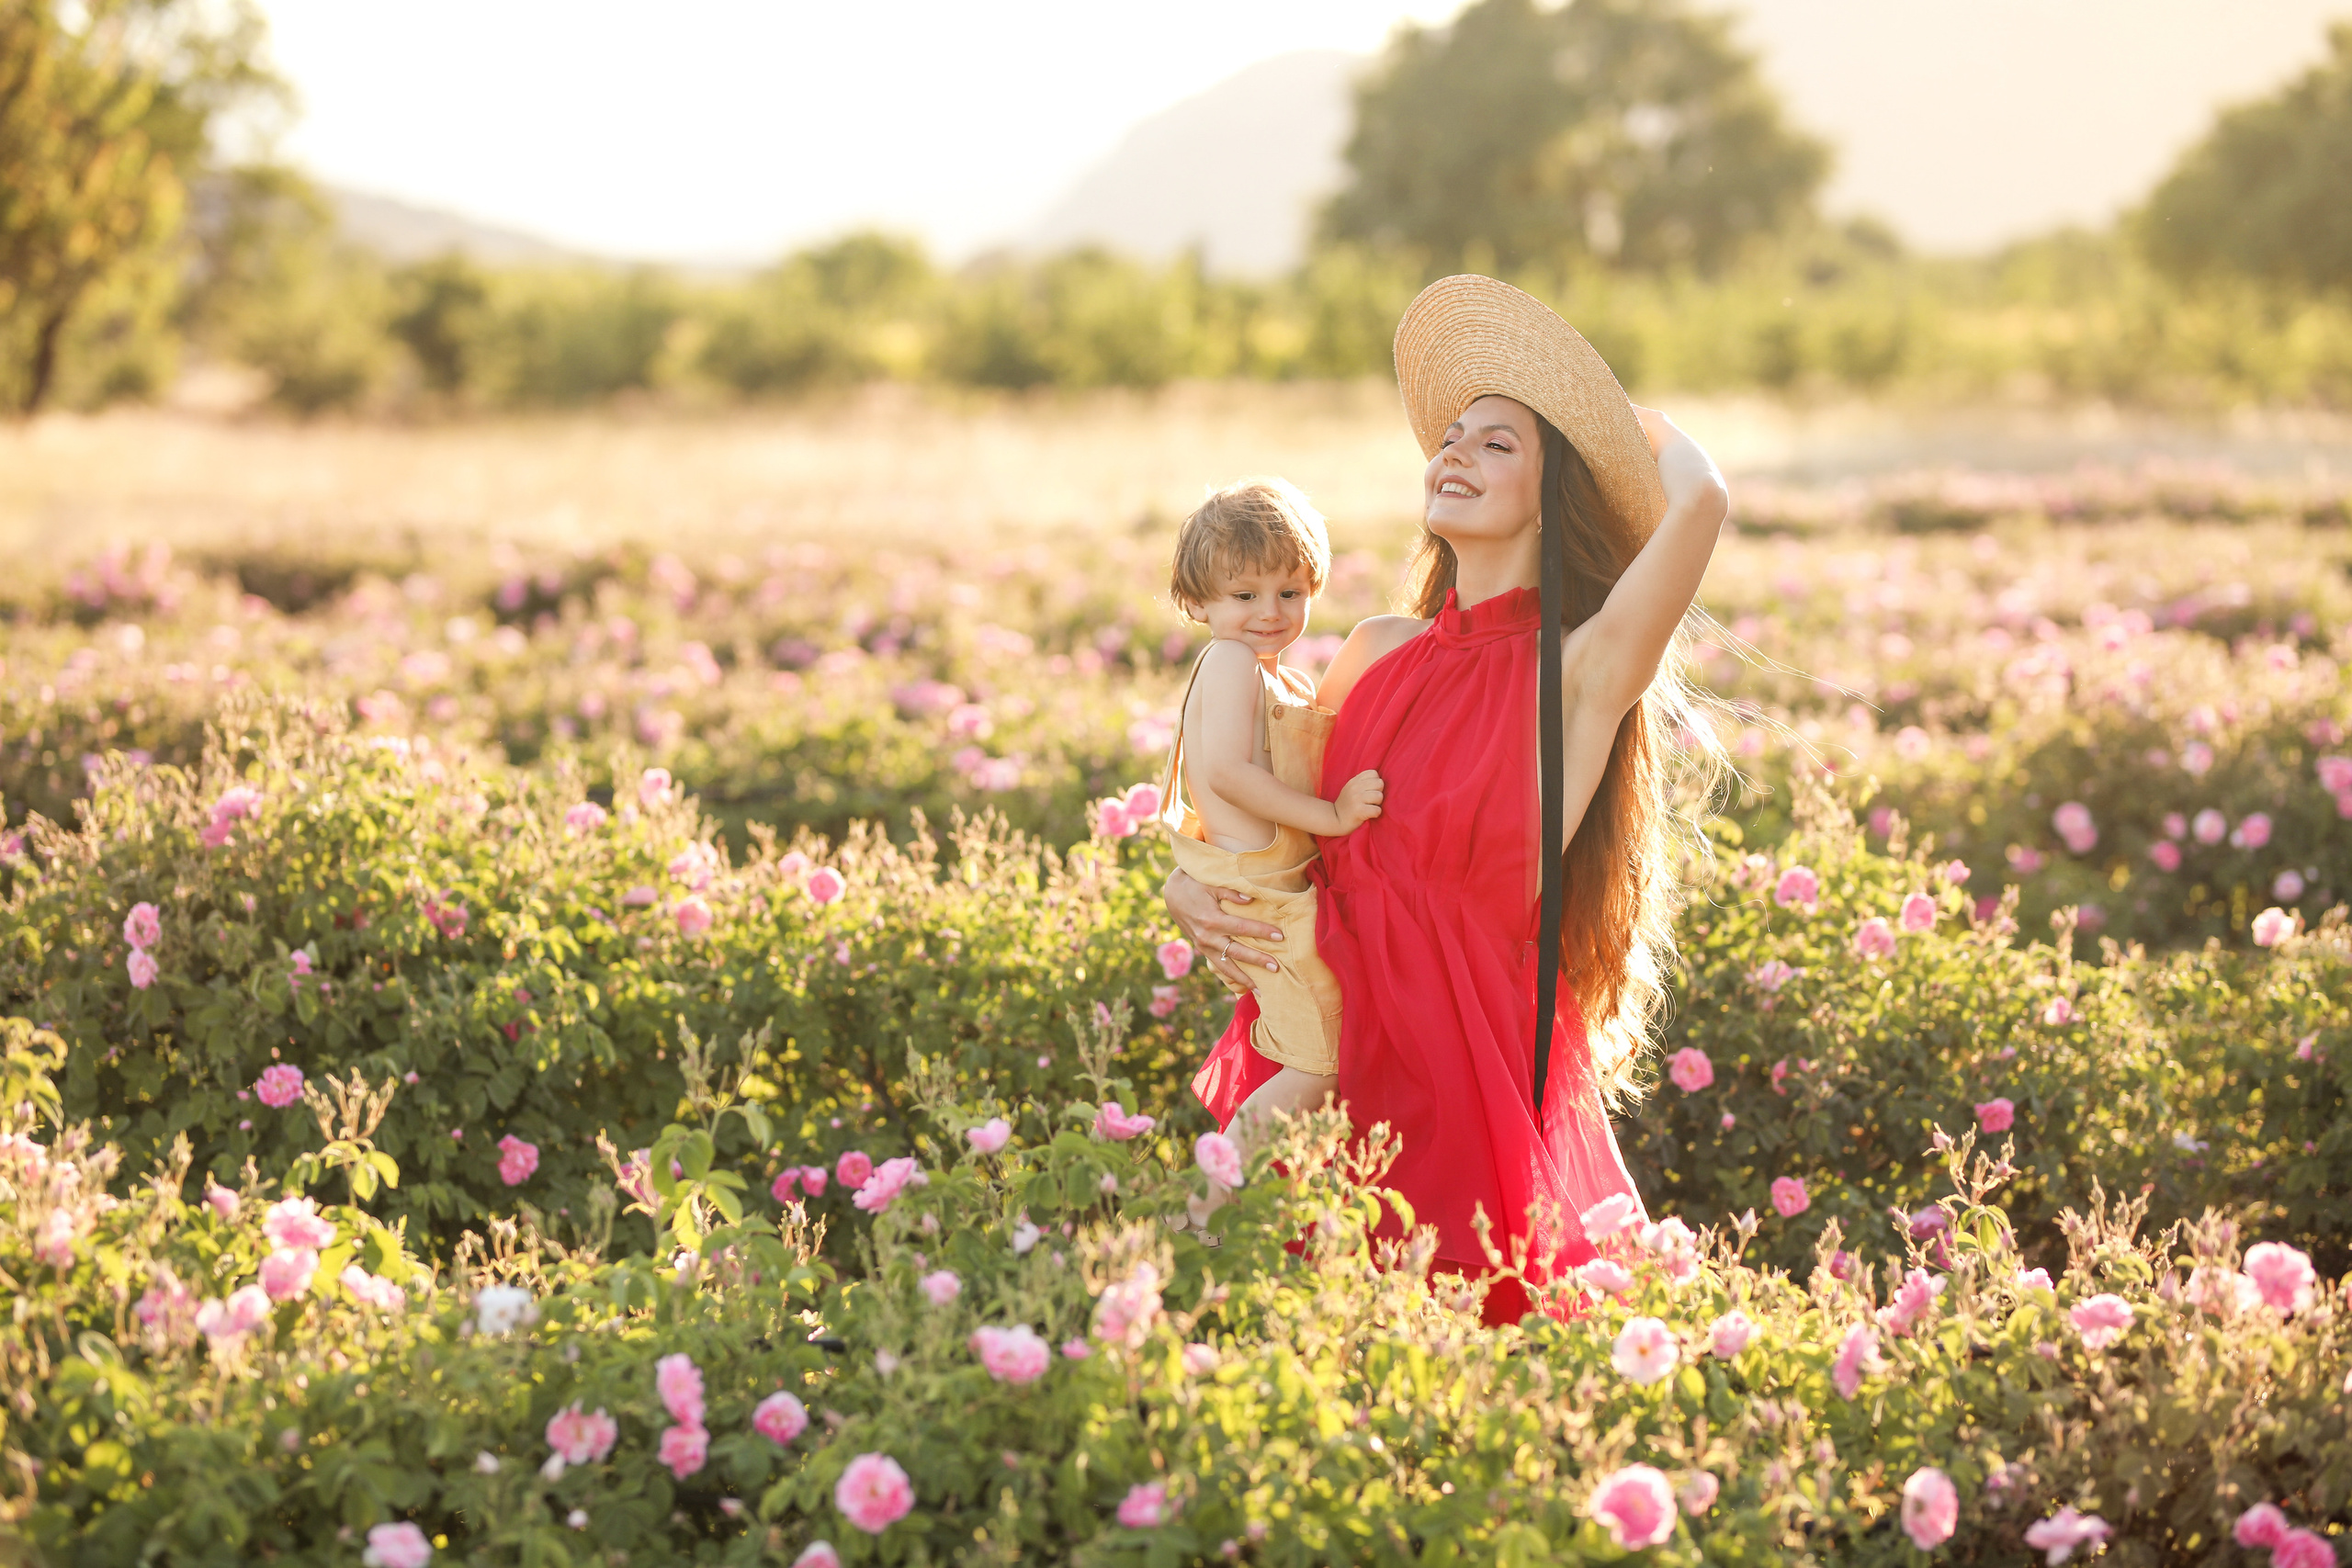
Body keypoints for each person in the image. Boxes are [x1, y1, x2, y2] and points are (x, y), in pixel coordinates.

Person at [1167, 276, 1731, 1323]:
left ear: (1553, 492)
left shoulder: (1579, 672)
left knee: (1450, 1346)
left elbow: (1701, 504)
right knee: (1250, 1332)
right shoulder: (1374, 650)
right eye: (1451, 437)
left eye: (1496, 443)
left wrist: (1622, 427)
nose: (1454, 453)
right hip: (1326, 1052)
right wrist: (1185, 887)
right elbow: (1263, 816)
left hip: (1453, 1073)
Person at [1155, 480, 1384, 1214]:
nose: (1270, 612)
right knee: (1320, 1059)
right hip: (1259, 891)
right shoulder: (1228, 662)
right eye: (1244, 594)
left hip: (1276, 886)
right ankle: (1205, 1206)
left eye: (1290, 591)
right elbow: (1228, 772)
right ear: (1198, 601)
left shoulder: (1276, 674)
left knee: (1323, 1050)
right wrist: (1332, 815)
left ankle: (1265, 1202)